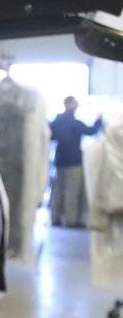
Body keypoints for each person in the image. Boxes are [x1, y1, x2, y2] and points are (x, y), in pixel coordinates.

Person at [49, 96, 104, 228]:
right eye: (75, 103)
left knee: (57, 191)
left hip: (60, 161)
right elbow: (91, 131)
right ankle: (71, 220)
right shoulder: (74, 123)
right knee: (72, 192)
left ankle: (55, 218)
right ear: (69, 104)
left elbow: (51, 136)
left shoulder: (57, 121)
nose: (77, 106)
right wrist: (99, 121)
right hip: (74, 161)